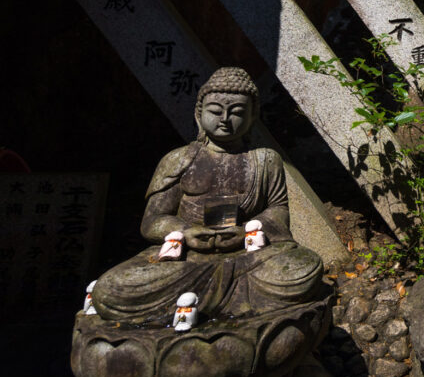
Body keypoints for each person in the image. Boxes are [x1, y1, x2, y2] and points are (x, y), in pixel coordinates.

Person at [92, 67, 324, 324]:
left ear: (252, 116)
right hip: (185, 259)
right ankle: (232, 308)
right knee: (111, 289)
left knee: (305, 268)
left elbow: (278, 210)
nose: (225, 118)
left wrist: (245, 231)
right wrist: (186, 232)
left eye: (236, 112)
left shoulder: (266, 160)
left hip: (247, 256)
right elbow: (153, 220)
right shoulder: (179, 159)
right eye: (215, 111)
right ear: (199, 113)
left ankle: (198, 307)